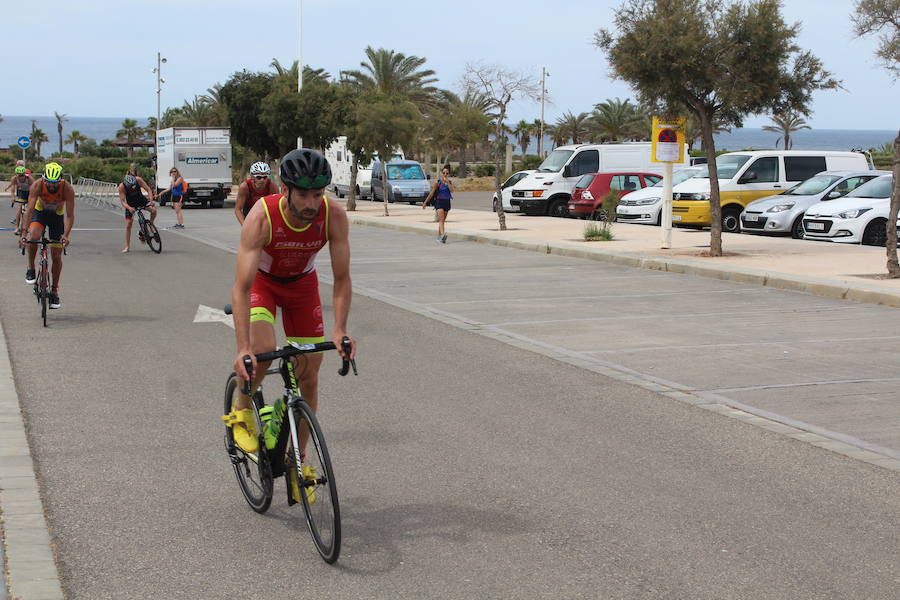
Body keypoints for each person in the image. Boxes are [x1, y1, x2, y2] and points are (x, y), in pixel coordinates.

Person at [227, 149, 355, 472]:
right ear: (284, 189)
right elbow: (241, 288)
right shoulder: (261, 216)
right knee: (263, 351)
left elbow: (341, 279)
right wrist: (243, 348)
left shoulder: (334, 216)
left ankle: (297, 460)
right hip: (263, 284)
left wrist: (339, 329)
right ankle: (241, 411)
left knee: (309, 374)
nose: (312, 203)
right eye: (303, 195)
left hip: (301, 286)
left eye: (317, 194)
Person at [20, 162, 75, 309]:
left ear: (60, 180)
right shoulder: (37, 185)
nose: (51, 186)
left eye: (54, 183)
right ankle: (31, 268)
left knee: (56, 256)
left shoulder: (67, 189)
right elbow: (29, 210)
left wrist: (66, 235)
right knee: (34, 236)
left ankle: (54, 291)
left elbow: (70, 216)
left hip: (57, 217)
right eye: (48, 182)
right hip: (40, 213)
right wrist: (24, 233)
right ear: (44, 179)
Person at [117, 174, 157, 253]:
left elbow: (148, 189)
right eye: (131, 188)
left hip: (141, 200)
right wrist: (129, 208)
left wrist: (151, 201)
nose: (133, 189)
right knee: (128, 224)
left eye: (134, 186)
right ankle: (127, 246)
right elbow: (122, 201)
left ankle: (151, 224)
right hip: (130, 204)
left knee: (154, 210)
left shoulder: (138, 180)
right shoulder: (121, 187)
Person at [423, 164, 454, 243]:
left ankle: (439, 237)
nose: (445, 175)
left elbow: (452, 191)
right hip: (439, 202)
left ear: (448, 174)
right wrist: (425, 202)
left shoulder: (449, 182)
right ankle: (443, 235)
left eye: (447, 173)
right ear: (441, 173)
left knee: (443, 221)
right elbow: (432, 193)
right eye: (443, 173)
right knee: (441, 220)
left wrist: (448, 182)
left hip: (447, 202)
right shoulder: (437, 182)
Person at [6, 165, 34, 234]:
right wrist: (13, 198)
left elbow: (34, 190)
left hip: (30, 192)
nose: (21, 177)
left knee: (30, 209)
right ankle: (17, 227)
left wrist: (31, 201)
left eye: (22, 176)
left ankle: (30, 226)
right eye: (19, 176)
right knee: (19, 208)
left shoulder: (29, 178)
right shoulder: (14, 179)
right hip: (21, 192)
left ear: (25, 174)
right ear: (16, 175)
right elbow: (13, 190)